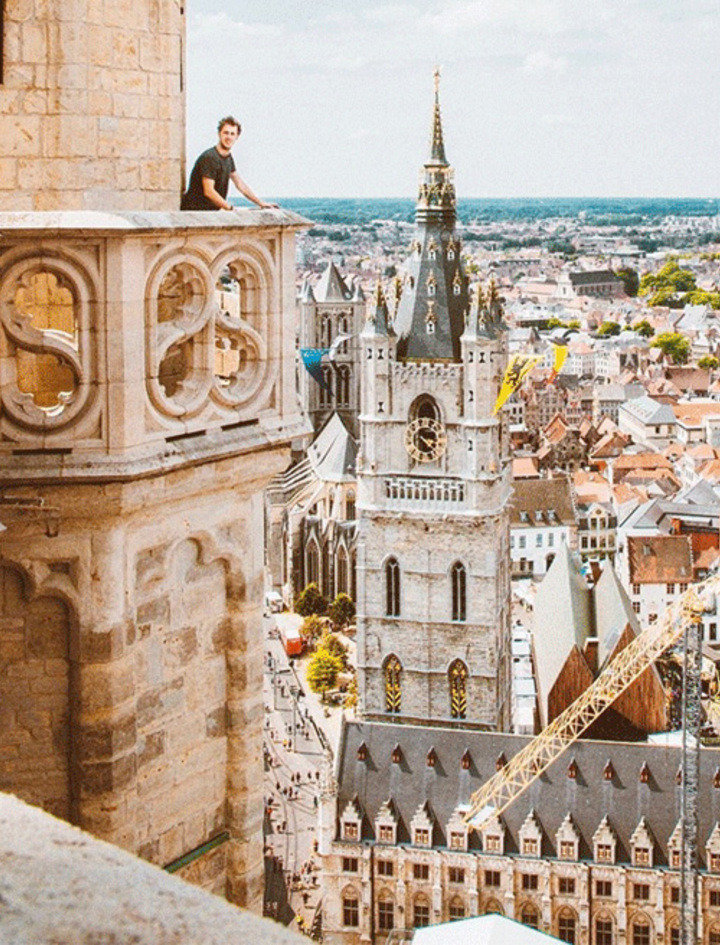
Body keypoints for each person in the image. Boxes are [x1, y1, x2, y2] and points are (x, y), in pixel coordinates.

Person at [181, 116, 278, 211]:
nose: (229, 137)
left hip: (210, 212)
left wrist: (261, 203)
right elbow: (209, 191)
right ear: (219, 134)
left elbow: (240, 184)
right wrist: (229, 208)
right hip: (195, 212)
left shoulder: (228, 158)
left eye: (232, 134)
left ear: (237, 137)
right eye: (226, 133)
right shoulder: (210, 157)